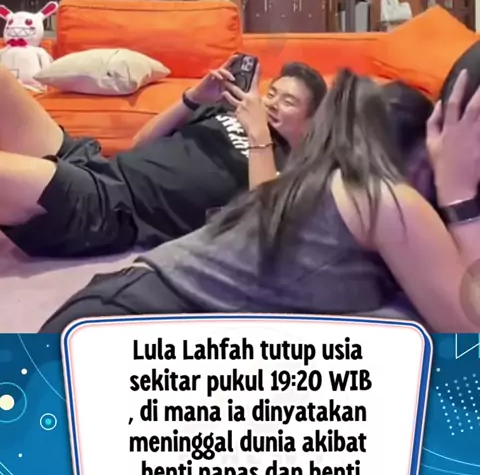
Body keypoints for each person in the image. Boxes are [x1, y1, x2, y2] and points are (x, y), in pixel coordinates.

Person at [40, 68, 480, 334]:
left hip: (114, 313)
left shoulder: (333, 183)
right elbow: (469, 330)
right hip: (124, 323)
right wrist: (458, 190)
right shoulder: (381, 197)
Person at [0, 59, 326, 258]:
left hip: (108, 208)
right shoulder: (224, 113)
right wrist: (193, 98)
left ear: (311, 122)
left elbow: (263, 223)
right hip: (94, 163)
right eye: (272, 93)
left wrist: (258, 133)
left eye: (288, 102)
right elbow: (139, 143)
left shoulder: (289, 169)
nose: (272, 103)